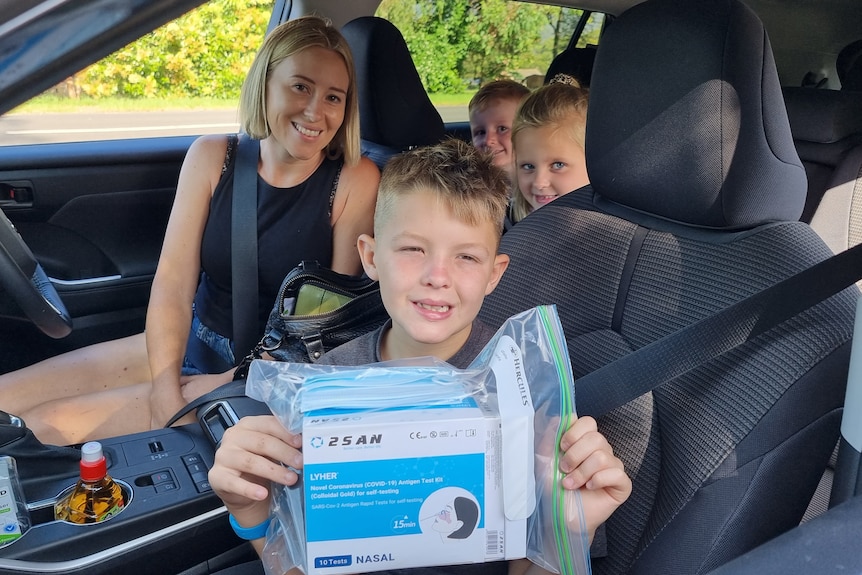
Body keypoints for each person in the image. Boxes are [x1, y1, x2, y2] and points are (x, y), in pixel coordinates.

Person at [208, 138, 631, 575]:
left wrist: (571, 529)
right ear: (371, 258)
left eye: (466, 256)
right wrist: (249, 510)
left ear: (494, 274)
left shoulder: (525, 391)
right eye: (413, 250)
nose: (437, 277)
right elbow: (301, 563)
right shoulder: (327, 384)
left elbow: (528, 566)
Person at [0, 16, 380, 446]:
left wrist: (231, 383)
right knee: (5, 402)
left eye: (334, 97)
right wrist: (165, 389)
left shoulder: (354, 179)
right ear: (266, 82)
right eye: (300, 86)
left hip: (260, 373)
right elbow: (173, 285)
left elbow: (324, 328)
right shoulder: (213, 156)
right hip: (194, 338)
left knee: (42, 428)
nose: (315, 111)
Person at [509, 74, 589, 225]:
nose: (539, 182)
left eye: (558, 165)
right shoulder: (511, 225)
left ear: (592, 162)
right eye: (528, 166)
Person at [468, 79, 531, 182]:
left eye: (502, 129)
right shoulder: (472, 184)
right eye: (481, 132)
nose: (488, 141)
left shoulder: (540, 185)